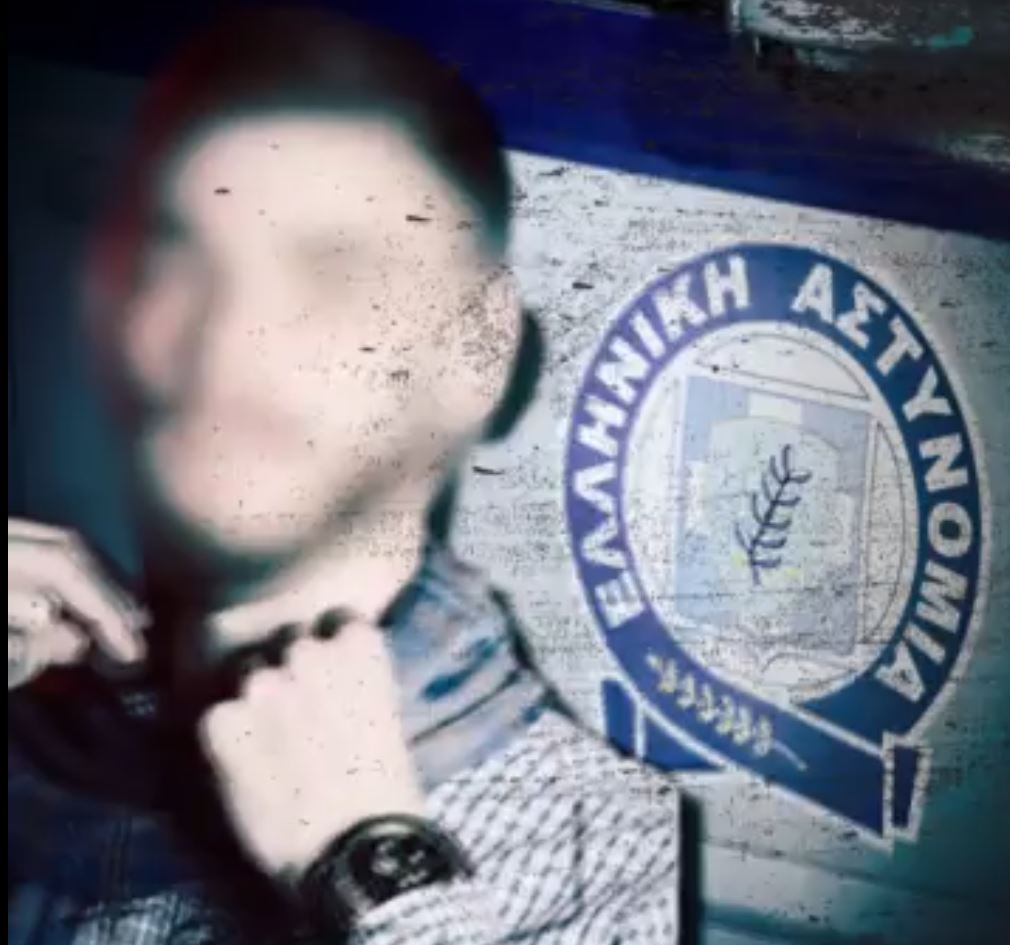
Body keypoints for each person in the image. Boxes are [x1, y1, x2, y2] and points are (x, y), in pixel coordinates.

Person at [7, 9, 679, 944]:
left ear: (479, 347)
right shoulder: (41, 739)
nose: (228, 339)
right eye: (177, 251)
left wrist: (374, 872)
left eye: (336, 271)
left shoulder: (591, 844)